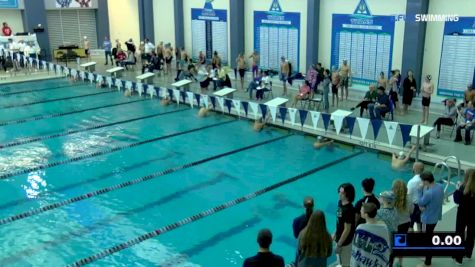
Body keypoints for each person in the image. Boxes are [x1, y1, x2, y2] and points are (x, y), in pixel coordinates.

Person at [417, 172, 444, 267]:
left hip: (428, 219)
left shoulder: (429, 193)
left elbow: (420, 202)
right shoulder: (440, 187)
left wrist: (419, 190)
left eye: (422, 181)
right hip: (436, 216)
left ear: (426, 181)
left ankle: (427, 262)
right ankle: (426, 256)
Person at [351, 203, 391, 267]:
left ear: (366, 215)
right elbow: (386, 249)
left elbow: (356, 249)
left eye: (361, 210)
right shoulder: (384, 227)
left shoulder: (360, 228)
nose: (360, 211)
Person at [453, 169, 475, 265]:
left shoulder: (462, 187)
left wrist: (457, 189)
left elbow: (457, 200)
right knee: (471, 234)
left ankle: (458, 258)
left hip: (463, 213)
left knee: (459, 234)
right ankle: (468, 254)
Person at [392, 179, 414, 267]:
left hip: (394, 225)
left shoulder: (392, 199)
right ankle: (400, 262)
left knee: (392, 245)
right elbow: (411, 211)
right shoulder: (409, 199)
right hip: (405, 224)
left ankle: (391, 262)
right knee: (400, 244)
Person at [334, 183, 356, 267]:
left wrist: (339, 245)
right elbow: (339, 222)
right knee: (340, 261)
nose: (339, 194)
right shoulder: (340, 203)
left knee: (345, 263)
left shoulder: (349, 210)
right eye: (339, 191)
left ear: (347, 194)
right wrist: (334, 235)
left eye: (342, 192)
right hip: (339, 239)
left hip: (345, 243)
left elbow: (347, 229)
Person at [407, 162, 424, 232]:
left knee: (410, 225)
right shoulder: (425, 179)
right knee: (419, 223)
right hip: (422, 205)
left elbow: (408, 195)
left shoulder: (412, 182)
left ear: (414, 169)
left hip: (413, 206)